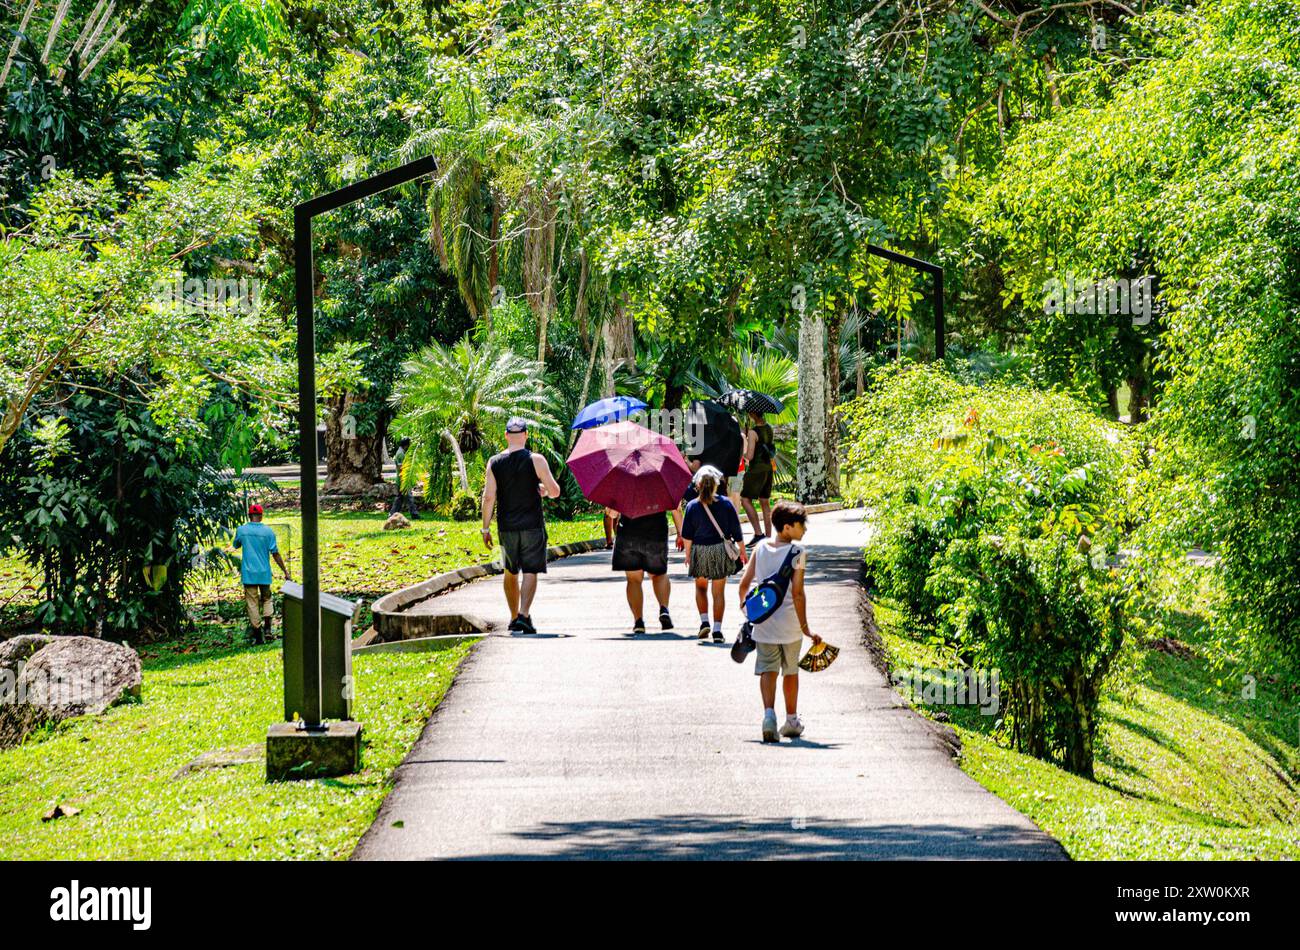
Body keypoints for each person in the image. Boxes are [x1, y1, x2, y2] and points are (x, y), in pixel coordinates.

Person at [737, 500, 820, 742]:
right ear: (786, 527)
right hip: (790, 625)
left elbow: (744, 585)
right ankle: (792, 719)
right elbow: (797, 593)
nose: (804, 529)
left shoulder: (760, 548)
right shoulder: (799, 553)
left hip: (764, 623)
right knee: (790, 671)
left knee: (767, 669)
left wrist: (747, 612)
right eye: (800, 524)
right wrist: (806, 628)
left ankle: (769, 717)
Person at [481, 417, 561, 634]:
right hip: (532, 526)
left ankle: (514, 616)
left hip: (506, 527)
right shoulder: (537, 460)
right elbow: (555, 492)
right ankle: (524, 615)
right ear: (525, 435)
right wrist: (544, 489)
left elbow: (489, 497)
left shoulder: (494, 462)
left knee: (510, 571)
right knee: (531, 571)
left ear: (506, 436)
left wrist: (485, 528)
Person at [680, 465, 746, 643]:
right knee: (719, 592)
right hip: (719, 551)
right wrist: (743, 550)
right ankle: (717, 630)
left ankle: (704, 622)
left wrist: (688, 555)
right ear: (716, 484)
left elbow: (687, 535)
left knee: (701, 588)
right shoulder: (726, 504)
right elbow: (736, 530)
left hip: (700, 550)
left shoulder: (692, 506)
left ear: (698, 485)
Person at [608, 504, 683, 634]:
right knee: (658, 574)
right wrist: (681, 533)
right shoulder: (661, 483)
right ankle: (664, 608)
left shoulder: (624, 484)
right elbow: (676, 507)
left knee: (634, 580)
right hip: (656, 530)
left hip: (629, 531)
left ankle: (639, 621)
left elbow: (612, 514)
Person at [233, 503, 291, 644]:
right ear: (261, 515)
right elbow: (275, 553)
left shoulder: (242, 530)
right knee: (267, 599)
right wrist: (285, 571)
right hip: (264, 573)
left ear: (249, 515)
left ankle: (258, 634)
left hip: (249, 573)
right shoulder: (268, 532)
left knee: (252, 603)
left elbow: (236, 545)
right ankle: (268, 629)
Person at [740, 410, 776, 539]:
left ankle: (758, 533)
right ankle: (768, 536)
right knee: (764, 502)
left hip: (756, 470)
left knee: (744, 499)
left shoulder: (753, 432)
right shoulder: (769, 428)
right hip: (768, 468)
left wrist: (743, 439)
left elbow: (749, 456)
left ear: (752, 414)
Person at [388, 437, 419, 519]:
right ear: (406, 445)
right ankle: (414, 514)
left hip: (401, 480)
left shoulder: (401, 452)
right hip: (402, 480)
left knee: (399, 499)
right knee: (409, 498)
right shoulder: (400, 454)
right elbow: (400, 468)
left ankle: (392, 514)